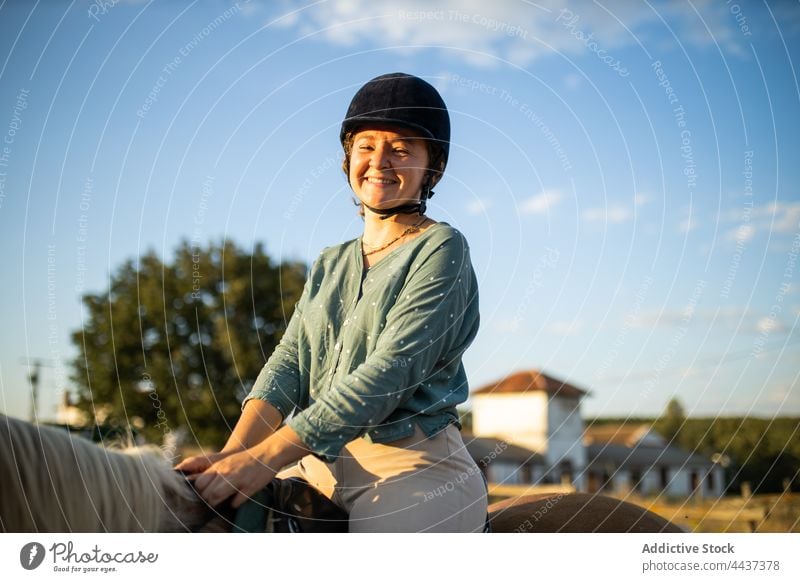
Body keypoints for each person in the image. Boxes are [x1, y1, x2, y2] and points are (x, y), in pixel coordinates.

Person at [176, 72, 487, 532]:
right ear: (349, 158)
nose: (379, 161)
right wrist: (234, 455)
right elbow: (289, 365)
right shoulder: (329, 262)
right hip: (314, 464)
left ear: (432, 167)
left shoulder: (443, 249)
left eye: (401, 148)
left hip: (411, 469)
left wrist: (265, 458)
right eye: (366, 146)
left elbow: (391, 373)